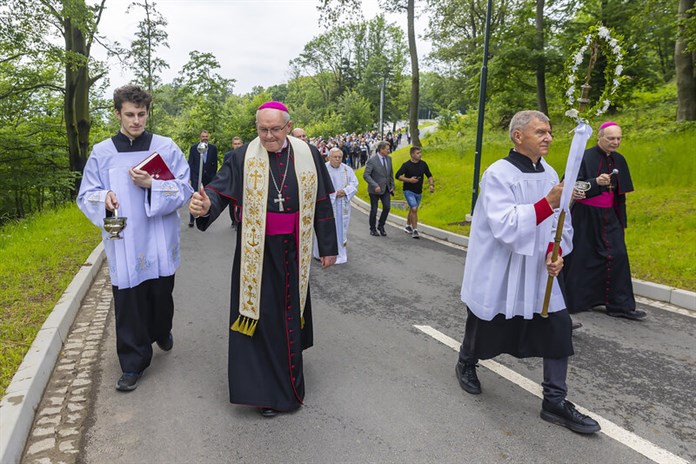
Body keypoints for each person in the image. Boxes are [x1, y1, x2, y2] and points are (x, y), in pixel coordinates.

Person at [454, 110, 601, 434]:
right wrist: (549, 201)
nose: (548, 137)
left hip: (537, 267)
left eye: (549, 131)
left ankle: (554, 400)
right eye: (540, 132)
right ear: (518, 137)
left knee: (558, 326)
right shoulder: (498, 174)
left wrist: (556, 250)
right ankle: (467, 360)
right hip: (501, 265)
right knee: (484, 322)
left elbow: (560, 223)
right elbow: (505, 225)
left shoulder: (548, 172)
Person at [188, 101, 338, 418]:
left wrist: (328, 246)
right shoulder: (242, 157)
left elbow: (322, 199)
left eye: (274, 129)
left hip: (295, 248)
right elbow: (218, 190)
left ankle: (288, 371)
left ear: (288, 125)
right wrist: (205, 205)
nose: (268, 136)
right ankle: (268, 392)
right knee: (263, 317)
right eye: (262, 129)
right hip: (257, 251)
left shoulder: (307, 154)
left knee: (289, 313)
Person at [77, 84, 193, 392]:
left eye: (141, 114)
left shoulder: (165, 147)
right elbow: (86, 193)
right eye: (129, 114)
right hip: (125, 239)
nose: (136, 121)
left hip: (158, 236)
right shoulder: (102, 153)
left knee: (160, 294)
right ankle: (133, 362)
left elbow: (184, 188)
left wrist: (152, 184)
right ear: (118, 113)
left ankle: (162, 328)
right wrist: (104, 197)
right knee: (128, 300)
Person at [562, 121, 645, 320]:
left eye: (618, 138)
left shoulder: (620, 160)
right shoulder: (584, 157)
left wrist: (621, 220)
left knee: (617, 256)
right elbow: (569, 185)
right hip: (586, 216)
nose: (615, 142)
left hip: (610, 216)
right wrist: (594, 183)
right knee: (582, 258)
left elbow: (620, 195)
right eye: (611, 138)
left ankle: (620, 305)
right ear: (599, 137)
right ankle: (578, 302)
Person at [313, 147, 358, 264]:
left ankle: (340, 253)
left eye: (340, 157)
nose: (338, 159)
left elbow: (354, 183)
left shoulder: (347, 169)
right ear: (329, 157)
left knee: (341, 229)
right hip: (328, 204)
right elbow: (318, 185)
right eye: (335, 157)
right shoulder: (323, 169)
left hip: (342, 205)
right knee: (326, 228)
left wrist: (345, 191)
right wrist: (333, 195)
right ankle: (321, 253)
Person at [395, 146, 434, 239]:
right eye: (417, 153)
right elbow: (397, 175)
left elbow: (429, 175)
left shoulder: (423, 164)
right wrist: (409, 180)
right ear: (412, 154)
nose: (420, 154)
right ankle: (415, 230)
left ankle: (408, 226)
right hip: (408, 190)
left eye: (420, 153)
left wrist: (431, 185)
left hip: (418, 191)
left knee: (413, 209)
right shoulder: (406, 165)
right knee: (414, 208)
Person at [363, 141, 394, 236]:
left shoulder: (389, 159)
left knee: (387, 207)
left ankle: (381, 225)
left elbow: (390, 174)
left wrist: (392, 186)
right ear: (381, 149)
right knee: (374, 209)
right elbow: (366, 175)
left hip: (386, 189)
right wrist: (375, 185)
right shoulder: (372, 160)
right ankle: (372, 228)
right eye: (387, 149)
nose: (389, 151)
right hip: (374, 190)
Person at [188, 130, 218, 227]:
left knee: (207, 197)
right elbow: (190, 163)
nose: (205, 138)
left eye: (206, 136)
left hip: (209, 178)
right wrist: (191, 178)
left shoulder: (213, 148)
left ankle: (205, 218)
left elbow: (215, 163)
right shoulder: (194, 148)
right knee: (195, 198)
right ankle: (192, 219)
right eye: (203, 136)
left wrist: (213, 176)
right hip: (196, 178)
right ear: (199, 137)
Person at [223, 136, 244, 227]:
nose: (237, 146)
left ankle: (238, 219)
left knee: (240, 201)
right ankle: (233, 220)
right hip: (232, 182)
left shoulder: (246, 154)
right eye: (235, 144)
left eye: (239, 143)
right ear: (232, 145)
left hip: (242, 182)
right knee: (231, 203)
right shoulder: (228, 155)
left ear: (242, 144)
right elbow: (225, 169)